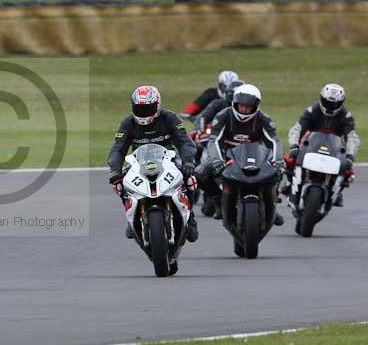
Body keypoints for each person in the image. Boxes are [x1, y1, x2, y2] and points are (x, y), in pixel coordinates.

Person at [108, 85, 199, 242]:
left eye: (148, 108)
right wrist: (115, 172)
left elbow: (185, 142)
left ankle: (190, 218)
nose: (143, 113)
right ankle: (131, 219)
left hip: (169, 159)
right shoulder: (127, 123)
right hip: (139, 162)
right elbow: (118, 149)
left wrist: (188, 162)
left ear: (157, 105)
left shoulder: (169, 118)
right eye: (139, 109)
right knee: (119, 183)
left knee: (190, 178)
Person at [198, 83, 285, 225]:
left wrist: (278, 160)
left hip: (255, 156)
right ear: (235, 103)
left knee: (278, 171)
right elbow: (214, 140)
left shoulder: (264, 119)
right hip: (226, 155)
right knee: (200, 172)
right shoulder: (222, 116)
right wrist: (217, 160)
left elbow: (274, 141)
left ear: (255, 106)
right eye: (241, 105)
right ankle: (218, 201)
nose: (244, 109)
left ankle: (272, 206)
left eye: (248, 106)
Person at [282, 83, 359, 207]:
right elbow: (297, 129)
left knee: (348, 170)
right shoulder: (312, 110)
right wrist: (294, 146)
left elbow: (352, 137)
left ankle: (337, 191)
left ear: (341, 103)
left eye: (334, 104)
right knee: (288, 160)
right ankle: (290, 184)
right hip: (310, 143)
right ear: (321, 99)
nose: (330, 107)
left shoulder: (346, 116)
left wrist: (350, 156)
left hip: (335, 147)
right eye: (327, 103)